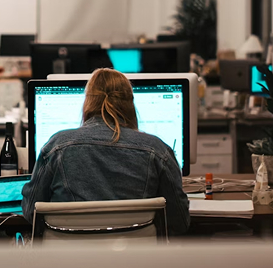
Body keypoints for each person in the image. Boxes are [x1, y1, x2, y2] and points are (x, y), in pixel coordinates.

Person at [21, 68, 189, 235]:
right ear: (130, 104)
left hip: (71, 259)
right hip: (136, 259)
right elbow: (180, 221)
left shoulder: (56, 147)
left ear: (88, 102)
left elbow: (31, 211)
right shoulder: (158, 151)